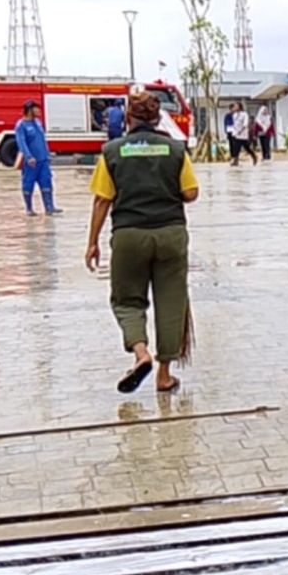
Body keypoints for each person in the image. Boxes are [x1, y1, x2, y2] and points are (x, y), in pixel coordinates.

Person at [85, 91, 199, 394]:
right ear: (157, 117)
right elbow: (190, 193)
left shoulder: (111, 151)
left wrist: (92, 242)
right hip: (171, 235)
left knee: (126, 300)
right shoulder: (175, 150)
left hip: (129, 235)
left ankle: (141, 354)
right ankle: (164, 375)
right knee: (172, 301)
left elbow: (101, 200)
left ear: (128, 119)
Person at [16, 100, 61, 216]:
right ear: (30, 110)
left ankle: (49, 207)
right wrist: (28, 156)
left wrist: (47, 154)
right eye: (37, 109)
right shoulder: (21, 125)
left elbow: (42, 140)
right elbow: (22, 143)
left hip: (43, 160)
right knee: (28, 184)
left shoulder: (38, 123)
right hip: (31, 162)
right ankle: (29, 208)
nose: (39, 111)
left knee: (47, 182)